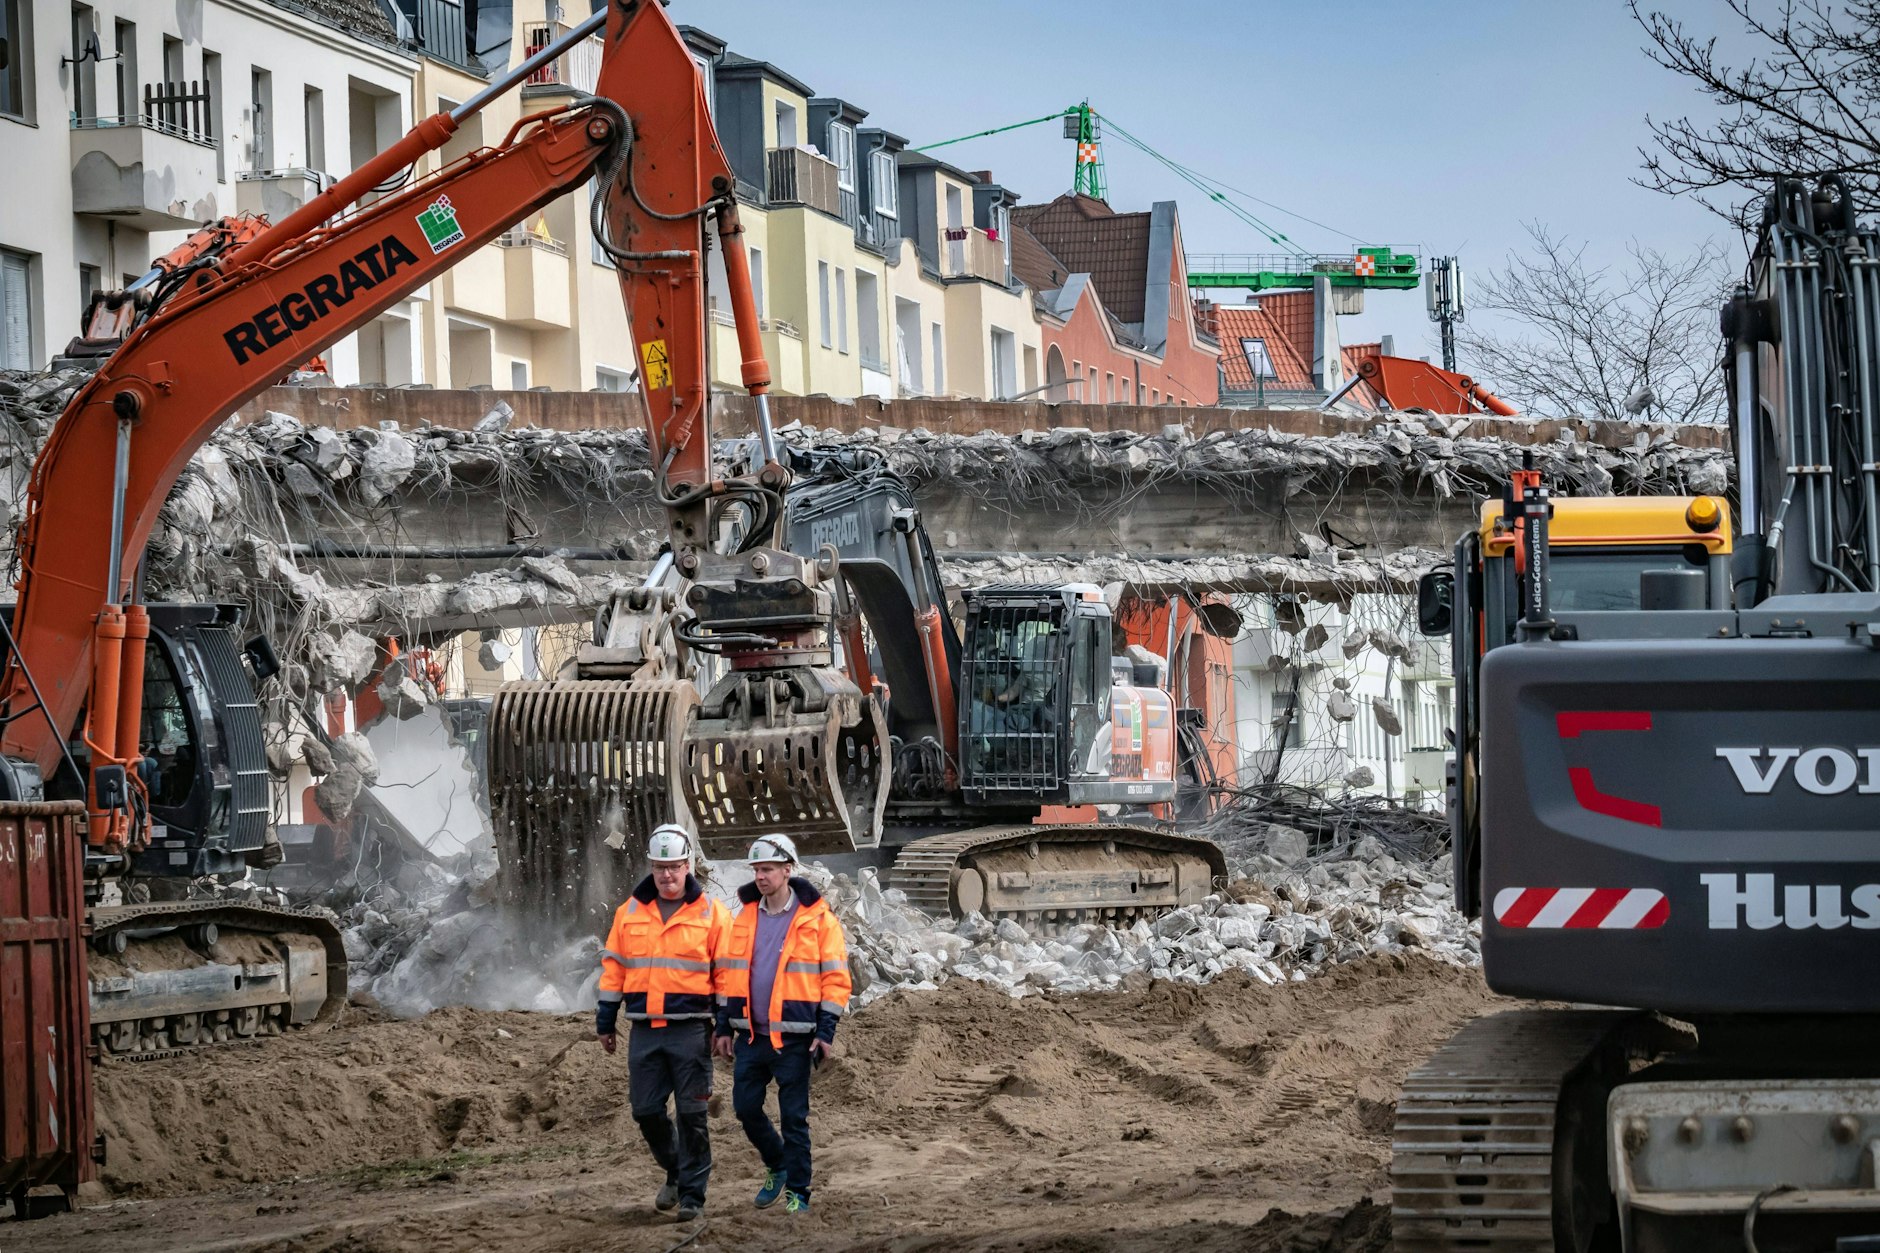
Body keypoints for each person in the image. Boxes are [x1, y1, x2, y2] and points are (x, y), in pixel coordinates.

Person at [596, 824, 731, 1222]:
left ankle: (693, 1197)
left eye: (674, 867)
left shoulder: (712, 913)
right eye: (660, 868)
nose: (667, 875)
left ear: (688, 865)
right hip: (644, 1031)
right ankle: (675, 1169)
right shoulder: (629, 913)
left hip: (692, 1030)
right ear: (651, 867)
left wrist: (724, 1026)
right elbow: (613, 969)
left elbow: (726, 973)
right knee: (645, 1111)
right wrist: (606, 1020)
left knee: (693, 1115)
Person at [712, 834, 852, 1215]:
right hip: (752, 1036)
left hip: (795, 1038)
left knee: (794, 1118)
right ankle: (777, 1163)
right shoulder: (745, 917)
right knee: (744, 1108)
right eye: (756, 870)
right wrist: (723, 1025)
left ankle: (798, 1193)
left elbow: (836, 979)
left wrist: (825, 1032)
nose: (761, 876)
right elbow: (728, 975)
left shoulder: (818, 920)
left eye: (768, 869)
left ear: (787, 870)